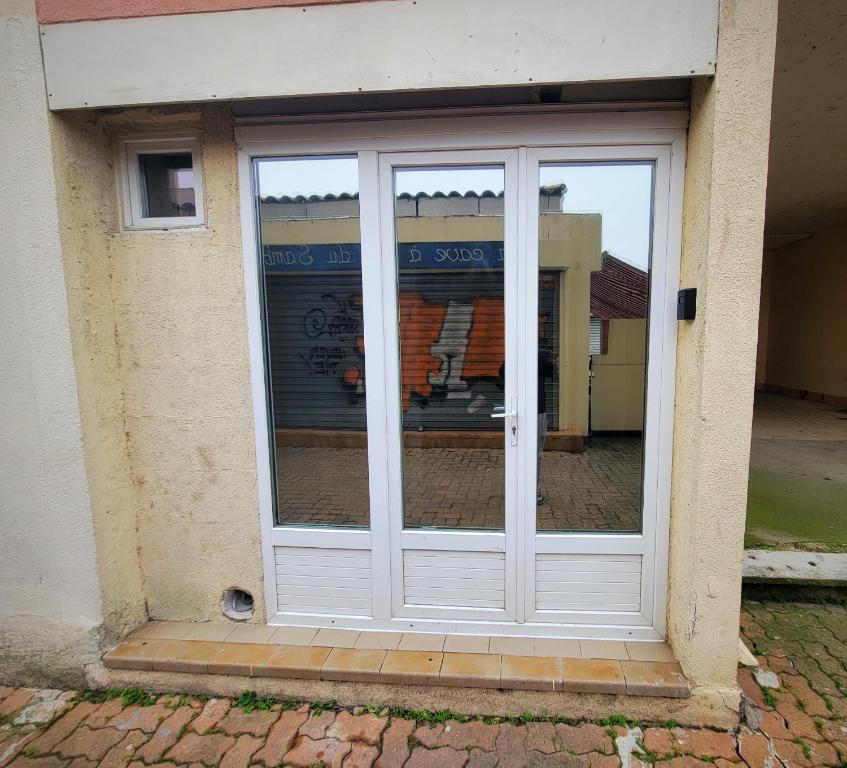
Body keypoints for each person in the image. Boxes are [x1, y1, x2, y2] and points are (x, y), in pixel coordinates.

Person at [537, 347, 558, 504]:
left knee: (516, 451)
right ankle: (532, 489)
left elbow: (502, 373)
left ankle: (517, 489)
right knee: (535, 453)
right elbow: (553, 373)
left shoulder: (515, 351)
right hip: (537, 411)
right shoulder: (541, 355)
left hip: (524, 411)